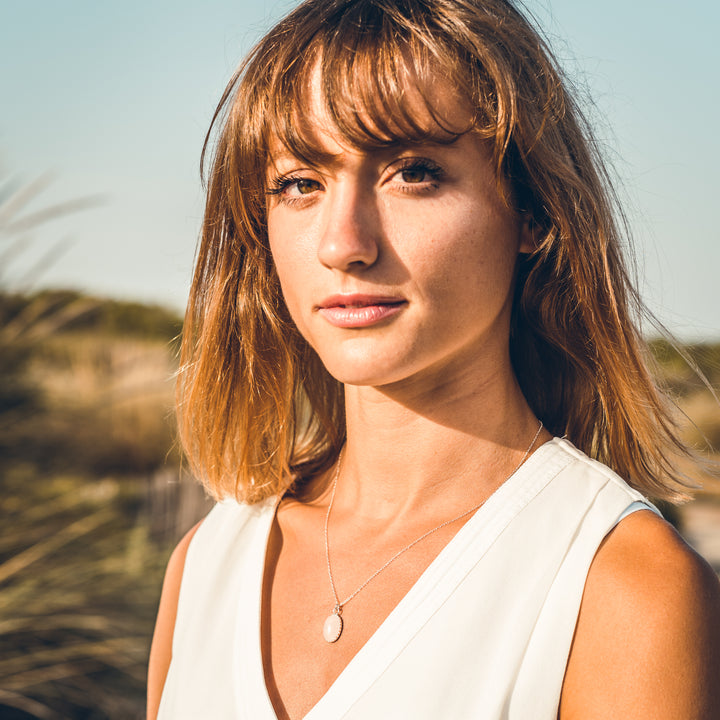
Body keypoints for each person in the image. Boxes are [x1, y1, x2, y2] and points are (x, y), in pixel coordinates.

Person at [147, 0, 720, 717]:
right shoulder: (207, 562)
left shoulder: (620, 583)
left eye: (413, 173)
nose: (343, 243)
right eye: (301, 183)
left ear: (534, 212)